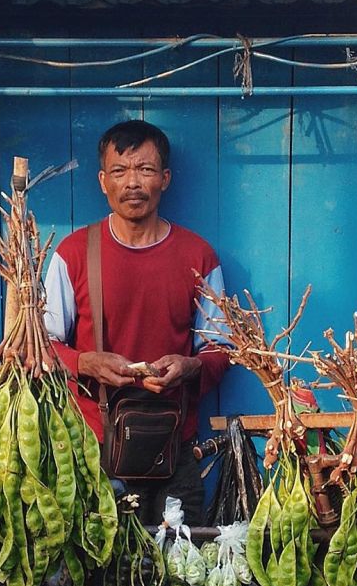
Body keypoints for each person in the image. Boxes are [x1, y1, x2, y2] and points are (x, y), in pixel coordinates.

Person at [43, 119, 230, 524]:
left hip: (176, 453)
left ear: (164, 178)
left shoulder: (198, 256)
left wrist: (189, 366)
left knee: (180, 577)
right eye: (119, 171)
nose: (132, 183)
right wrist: (86, 363)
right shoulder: (73, 254)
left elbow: (221, 351)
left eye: (145, 170)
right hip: (95, 450)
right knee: (99, 579)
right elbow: (42, 348)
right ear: (102, 180)